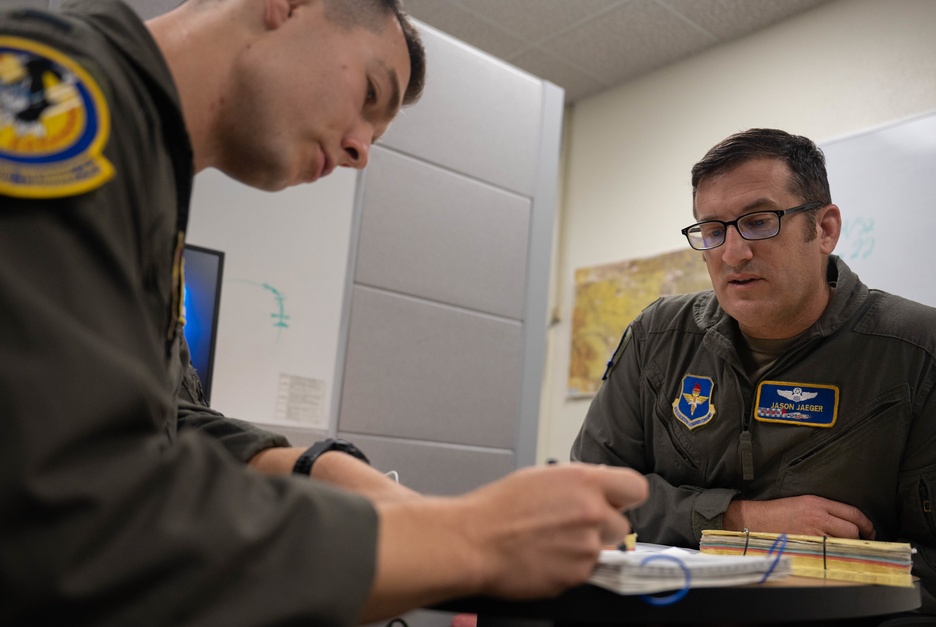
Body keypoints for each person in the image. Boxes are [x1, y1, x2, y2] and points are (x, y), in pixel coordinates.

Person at [0, 1, 649, 625]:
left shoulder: (147, 186)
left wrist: (327, 469)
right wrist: (471, 536)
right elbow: (68, 512)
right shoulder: (56, 82)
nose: (362, 150)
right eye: (370, 93)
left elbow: (171, 421)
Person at [571, 128, 936, 616]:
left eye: (758, 221)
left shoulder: (926, 351)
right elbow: (588, 498)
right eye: (712, 230)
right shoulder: (657, 338)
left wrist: (802, 565)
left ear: (824, 229)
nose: (732, 253)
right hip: (670, 610)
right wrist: (739, 521)